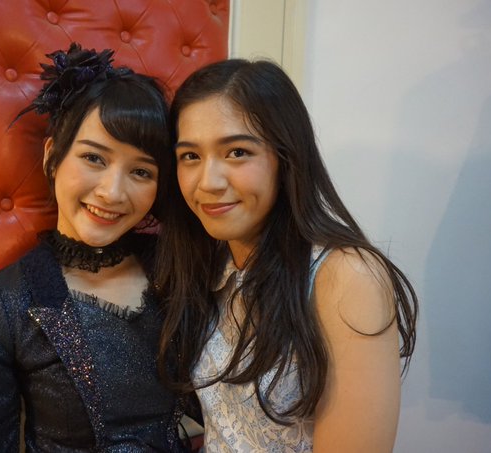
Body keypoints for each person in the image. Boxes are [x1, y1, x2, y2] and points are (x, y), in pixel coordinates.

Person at [155, 59, 418, 452]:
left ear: (286, 157)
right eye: (190, 156)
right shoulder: (212, 263)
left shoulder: (345, 275)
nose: (207, 182)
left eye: (237, 152)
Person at [0, 43, 189, 452]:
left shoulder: (177, 268)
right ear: (52, 155)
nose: (112, 192)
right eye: (94, 158)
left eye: (141, 172)